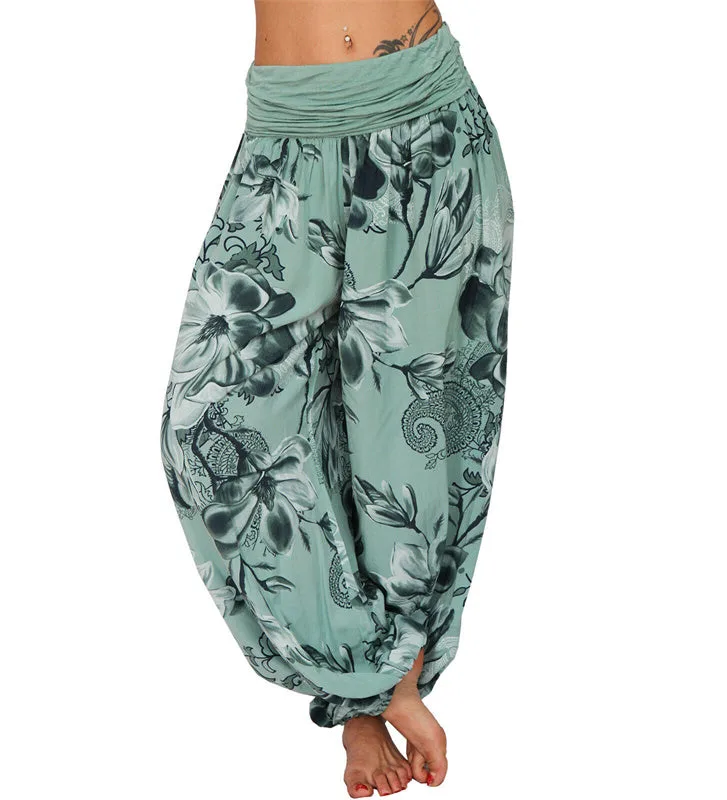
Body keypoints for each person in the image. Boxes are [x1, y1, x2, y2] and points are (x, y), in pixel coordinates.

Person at [159, 1, 514, 796]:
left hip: (420, 122)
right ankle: (368, 674)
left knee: (401, 443)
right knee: (205, 426)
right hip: (284, 139)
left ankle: (385, 687)